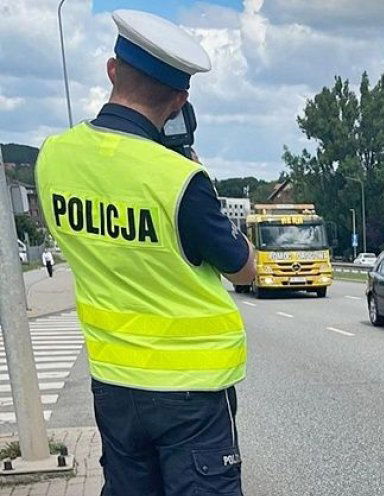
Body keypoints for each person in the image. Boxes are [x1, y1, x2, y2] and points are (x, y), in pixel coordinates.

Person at [35, 10, 256, 495]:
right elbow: (242, 270)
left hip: (114, 385)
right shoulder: (179, 180)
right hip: (191, 392)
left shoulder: (53, 157)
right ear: (180, 100)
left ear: (112, 70)